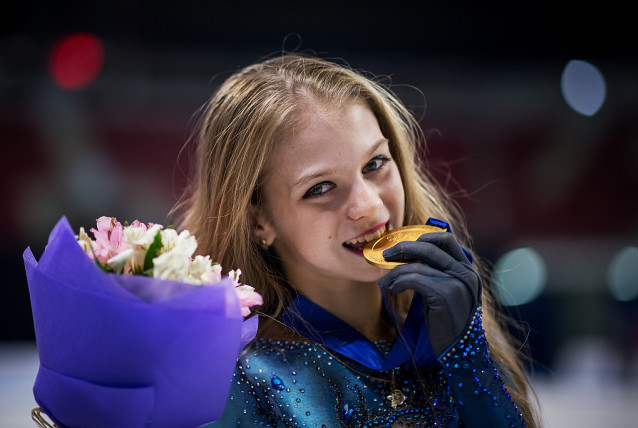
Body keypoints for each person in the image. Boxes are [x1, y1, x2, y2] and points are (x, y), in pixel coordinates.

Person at [174, 53, 539, 427]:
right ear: (258, 222)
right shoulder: (232, 378)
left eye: (375, 164)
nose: (368, 205)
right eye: (321, 187)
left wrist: (468, 356)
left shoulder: (453, 331)